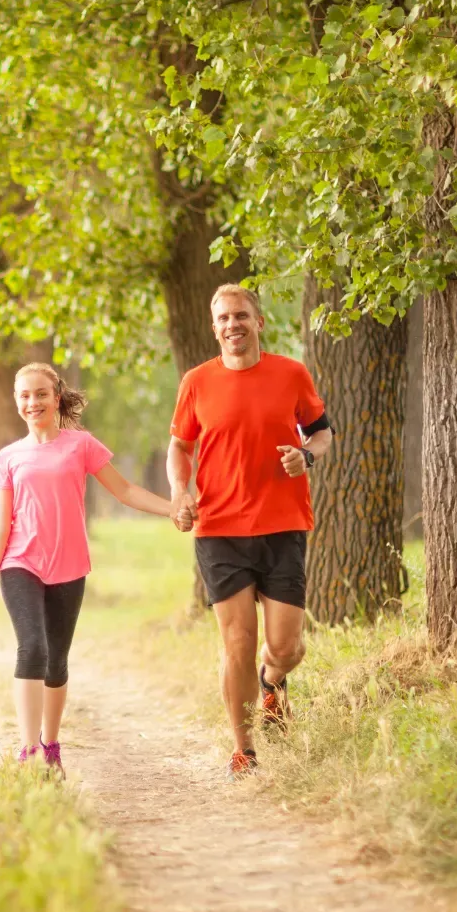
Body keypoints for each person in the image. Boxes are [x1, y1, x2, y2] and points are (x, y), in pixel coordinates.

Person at [0, 363, 175, 774]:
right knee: (33, 647)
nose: (33, 402)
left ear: (56, 396)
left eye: (41, 394)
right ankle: (29, 752)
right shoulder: (8, 457)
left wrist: (173, 509)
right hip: (20, 561)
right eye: (25, 396)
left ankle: (50, 746)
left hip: (68, 565)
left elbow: (126, 490)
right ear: (17, 402)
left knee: (56, 661)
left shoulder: (80, 445)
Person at [167, 284, 335, 778]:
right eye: (222, 319)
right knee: (237, 641)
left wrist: (305, 455)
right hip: (219, 528)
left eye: (240, 316)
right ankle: (245, 748)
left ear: (258, 322)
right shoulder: (197, 382)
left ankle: (272, 680)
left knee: (284, 647)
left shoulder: (291, 374)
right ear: (214, 327)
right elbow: (179, 447)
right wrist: (181, 492)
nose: (231, 325)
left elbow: (322, 432)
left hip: (283, 525)